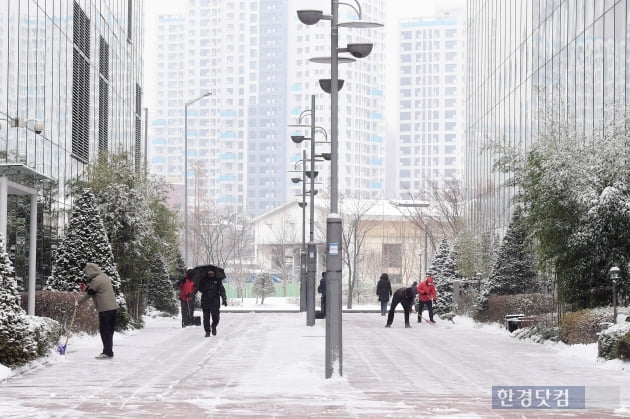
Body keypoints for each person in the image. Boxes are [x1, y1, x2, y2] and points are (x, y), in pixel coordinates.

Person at [77, 262, 118, 359]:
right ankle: (109, 352)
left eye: (86, 272)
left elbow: (90, 292)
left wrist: (78, 303)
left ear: (91, 271)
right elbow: (94, 289)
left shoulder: (97, 280)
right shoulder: (104, 276)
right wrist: (86, 288)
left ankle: (107, 353)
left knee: (105, 331)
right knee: (109, 331)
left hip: (105, 309)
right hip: (112, 308)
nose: (86, 274)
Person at [197, 267, 227, 337]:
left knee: (216, 317)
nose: (210, 273)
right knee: (206, 318)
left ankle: (213, 326)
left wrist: (224, 299)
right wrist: (205, 287)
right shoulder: (203, 280)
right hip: (205, 301)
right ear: (207, 273)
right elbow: (200, 289)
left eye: (212, 272)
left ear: (214, 273)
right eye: (209, 272)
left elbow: (222, 290)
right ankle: (207, 331)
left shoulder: (217, 280)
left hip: (215, 302)